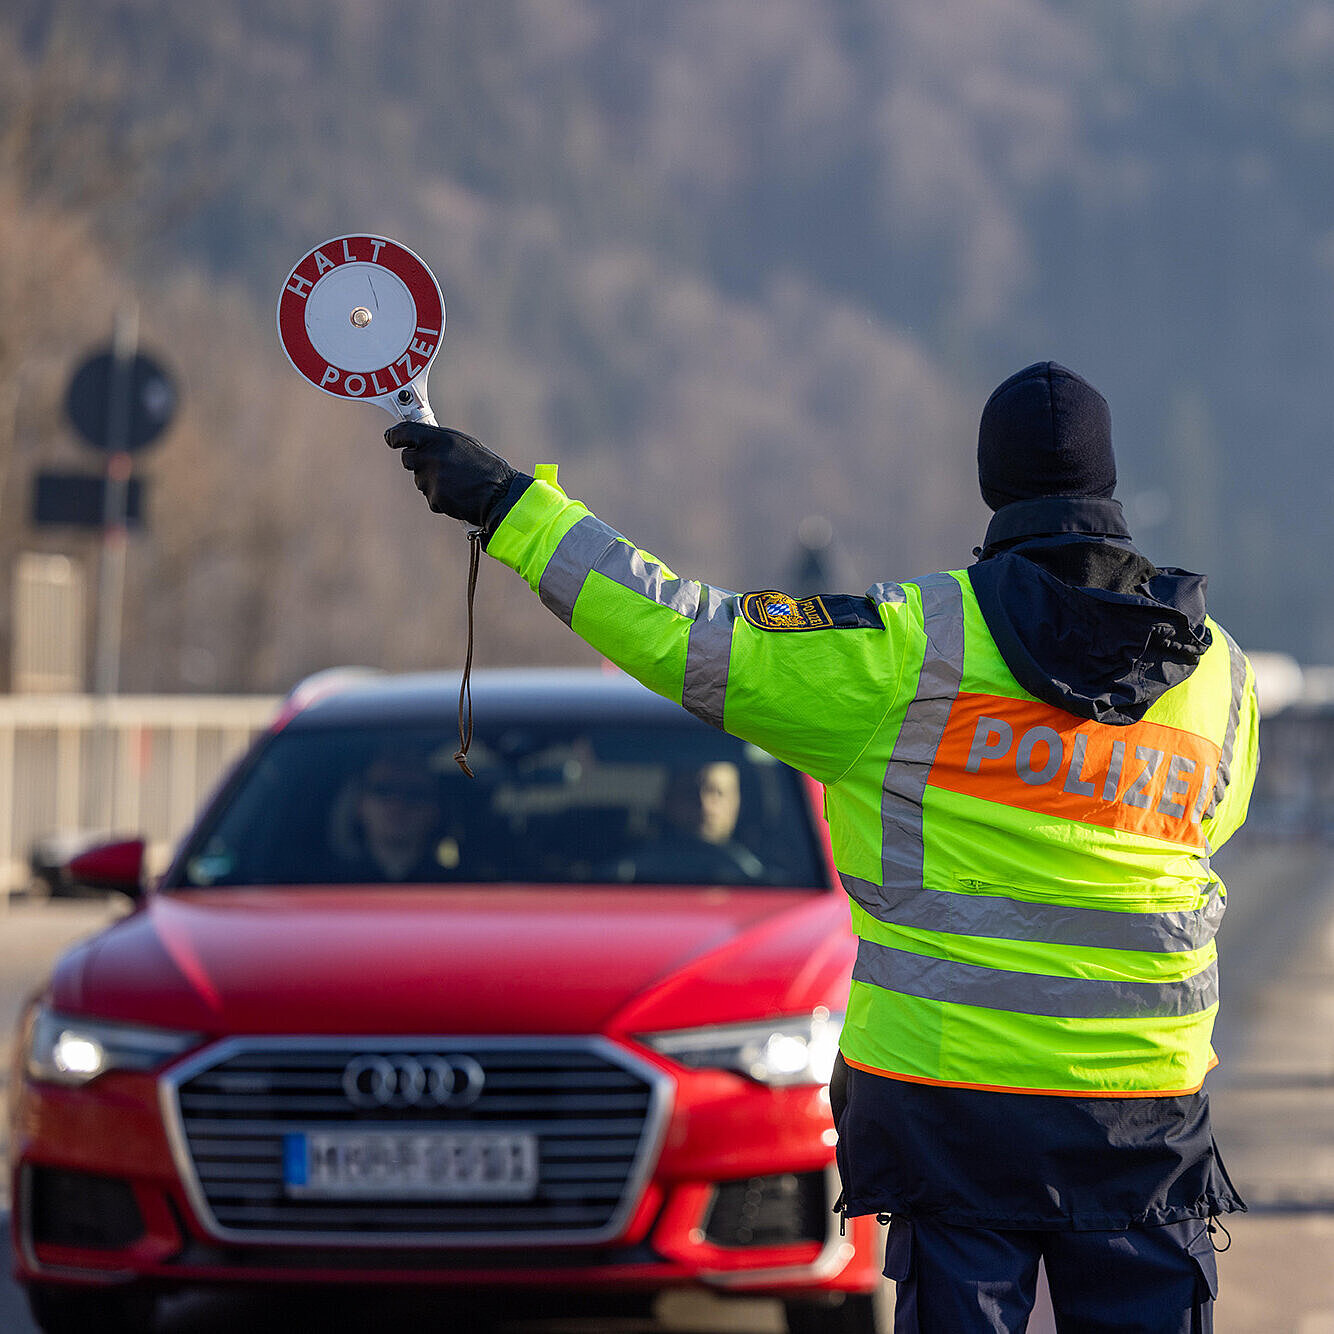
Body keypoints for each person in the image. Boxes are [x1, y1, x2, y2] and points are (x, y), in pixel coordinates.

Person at [385, 360, 1259, 1333]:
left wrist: (510, 506)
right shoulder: (1213, 670)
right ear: (1106, 486)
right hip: (1141, 1103)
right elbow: (1205, 830)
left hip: (950, 1102)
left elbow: (677, 626)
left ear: (990, 485)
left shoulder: (905, 650)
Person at [618, 760, 765, 883]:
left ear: (739, 802)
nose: (704, 804)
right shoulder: (628, 875)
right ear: (668, 800)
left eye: (717, 792)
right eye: (691, 792)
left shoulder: (764, 880)